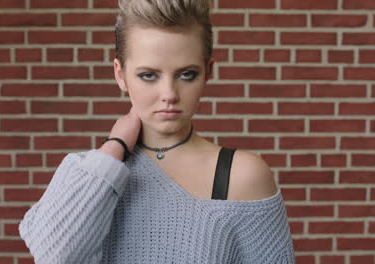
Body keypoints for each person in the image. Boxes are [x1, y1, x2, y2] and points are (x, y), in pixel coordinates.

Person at [18, 0, 295, 263]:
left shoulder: (242, 176)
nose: (169, 94)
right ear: (120, 74)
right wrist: (114, 147)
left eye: (186, 74)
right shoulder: (87, 173)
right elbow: (54, 257)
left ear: (208, 72)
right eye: (148, 75)